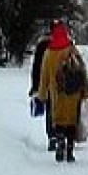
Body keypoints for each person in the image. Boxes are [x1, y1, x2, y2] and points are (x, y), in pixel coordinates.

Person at [37, 21, 88, 163]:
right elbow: (82, 71)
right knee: (72, 121)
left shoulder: (49, 52)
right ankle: (70, 150)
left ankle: (60, 145)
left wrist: (42, 94)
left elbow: (44, 75)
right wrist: (86, 92)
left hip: (57, 93)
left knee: (59, 120)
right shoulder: (72, 49)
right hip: (74, 94)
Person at [28, 22, 55, 150]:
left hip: (47, 83)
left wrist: (35, 86)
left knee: (50, 109)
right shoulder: (68, 44)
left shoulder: (42, 45)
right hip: (64, 85)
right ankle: (63, 135)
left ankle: (52, 137)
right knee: (63, 110)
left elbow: (36, 67)